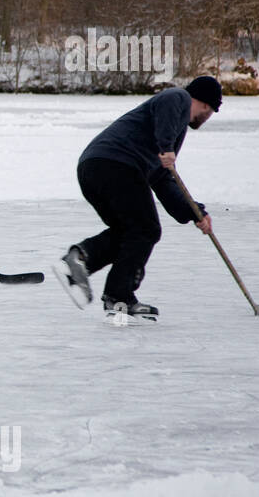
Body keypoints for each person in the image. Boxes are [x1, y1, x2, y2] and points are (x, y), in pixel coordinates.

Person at [54, 76, 222, 320]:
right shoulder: (177, 98)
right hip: (116, 165)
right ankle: (118, 296)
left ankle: (79, 262)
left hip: (94, 168)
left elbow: (162, 179)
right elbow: (166, 130)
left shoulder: (174, 126)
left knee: (131, 232)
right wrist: (166, 147)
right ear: (207, 105)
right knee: (146, 229)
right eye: (212, 111)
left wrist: (194, 212)